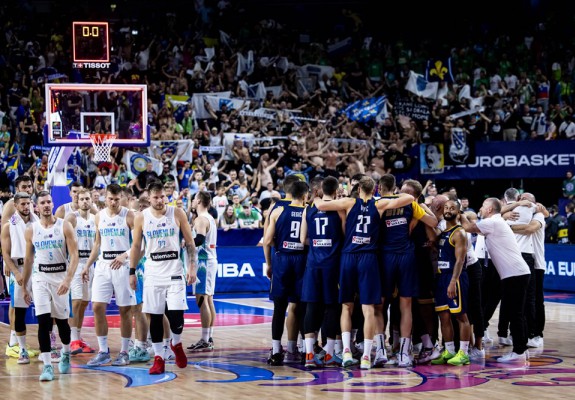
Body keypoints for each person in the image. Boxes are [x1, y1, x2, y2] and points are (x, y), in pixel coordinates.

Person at [314, 176, 415, 369]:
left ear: (358, 187)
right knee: (368, 309)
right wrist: (388, 195)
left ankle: (345, 353)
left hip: (349, 257)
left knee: (346, 307)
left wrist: (315, 197)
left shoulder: (349, 202)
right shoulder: (379, 204)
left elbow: (320, 206)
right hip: (369, 258)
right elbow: (409, 199)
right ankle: (367, 357)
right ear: (375, 188)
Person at [129, 181, 197, 374]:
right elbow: (135, 247)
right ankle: (158, 358)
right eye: (156, 197)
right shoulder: (141, 217)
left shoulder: (177, 213)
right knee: (155, 316)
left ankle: (177, 344)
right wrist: (132, 272)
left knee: (176, 314)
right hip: (152, 270)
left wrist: (191, 267)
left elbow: (190, 243)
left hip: (174, 268)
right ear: (149, 198)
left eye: (162, 197)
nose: (160, 200)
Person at [460, 198, 531, 363]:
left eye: (484, 206)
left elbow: (468, 227)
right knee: (516, 313)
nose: (481, 208)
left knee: (516, 313)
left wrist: (459, 212)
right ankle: (522, 350)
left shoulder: (491, 222)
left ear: (490, 209)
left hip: (515, 274)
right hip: (516, 273)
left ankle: (519, 352)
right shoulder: (496, 221)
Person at [377, 175, 438, 368]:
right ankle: (382, 351)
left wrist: (421, 208)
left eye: (407, 192)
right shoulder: (403, 205)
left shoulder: (382, 204)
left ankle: (404, 352)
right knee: (382, 305)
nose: (403, 194)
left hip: (399, 256)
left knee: (404, 304)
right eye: (401, 190)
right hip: (395, 256)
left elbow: (433, 222)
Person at [21, 191, 79, 381]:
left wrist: (68, 280)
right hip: (41, 279)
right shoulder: (31, 230)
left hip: (61, 278)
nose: (46, 205)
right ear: (36, 207)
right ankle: (47, 366)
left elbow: (74, 256)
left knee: (62, 323)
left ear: (53, 204)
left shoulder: (65, 226)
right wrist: (24, 285)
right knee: (43, 322)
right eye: (42, 202)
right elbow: (29, 260)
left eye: (49, 202)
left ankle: (66, 352)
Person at [82, 184, 137, 367]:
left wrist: (125, 256)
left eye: (116, 199)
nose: (113, 202)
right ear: (105, 198)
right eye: (110, 199)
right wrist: (87, 266)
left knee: (125, 310)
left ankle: (124, 352)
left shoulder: (129, 215)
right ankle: (103, 352)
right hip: (103, 265)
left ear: (122, 197)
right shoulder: (99, 216)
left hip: (122, 263)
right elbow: (97, 244)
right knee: (97, 306)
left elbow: (140, 244)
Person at [300, 176, 346, 368]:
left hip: (313, 264)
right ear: (336, 191)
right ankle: (329, 354)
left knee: (312, 307)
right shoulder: (340, 209)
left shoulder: (308, 209)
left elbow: (303, 240)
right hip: (332, 264)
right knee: (331, 308)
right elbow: (345, 235)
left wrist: (318, 242)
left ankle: (309, 354)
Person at [263, 180, 309, 366]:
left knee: (279, 308)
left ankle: (276, 351)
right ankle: (307, 349)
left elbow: (267, 240)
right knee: (302, 306)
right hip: (302, 261)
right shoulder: (309, 210)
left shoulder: (278, 210)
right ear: (305, 195)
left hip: (282, 260)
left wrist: (279, 244)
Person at [430, 200, 472, 366]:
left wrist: (453, 281)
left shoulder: (459, 233)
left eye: (452, 208)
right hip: (441, 277)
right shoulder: (443, 232)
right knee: (444, 316)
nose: (448, 210)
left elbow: (460, 260)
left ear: (459, 212)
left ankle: (463, 353)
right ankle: (449, 351)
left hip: (455, 278)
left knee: (461, 316)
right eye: (446, 208)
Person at [0, 192, 39, 364]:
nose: (25, 207)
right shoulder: (8, 226)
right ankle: (21, 349)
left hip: (38, 268)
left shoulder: (38, 221)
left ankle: (51, 347)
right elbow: (6, 254)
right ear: (15, 206)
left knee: (47, 310)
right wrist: (15, 272)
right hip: (20, 268)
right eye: (22, 204)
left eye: (28, 203)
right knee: (20, 311)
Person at [64, 188, 96, 355]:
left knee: (84, 303)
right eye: (82, 199)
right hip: (76, 263)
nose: (85, 201)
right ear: (77, 200)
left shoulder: (95, 218)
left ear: (91, 200)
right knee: (75, 302)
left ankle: (77, 336)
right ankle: (72, 339)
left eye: (87, 199)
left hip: (90, 264)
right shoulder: (71, 218)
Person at [188, 191, 218, 352]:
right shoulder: (210, 218)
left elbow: (199, 239)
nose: (192, 201)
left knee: (202, 300)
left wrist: (185, 243)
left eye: (194, 199)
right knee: (208, 299)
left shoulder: (200, 219)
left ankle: (205, 339)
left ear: (199, 201)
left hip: (203, 263)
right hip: (209, 260)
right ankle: (208, 337)